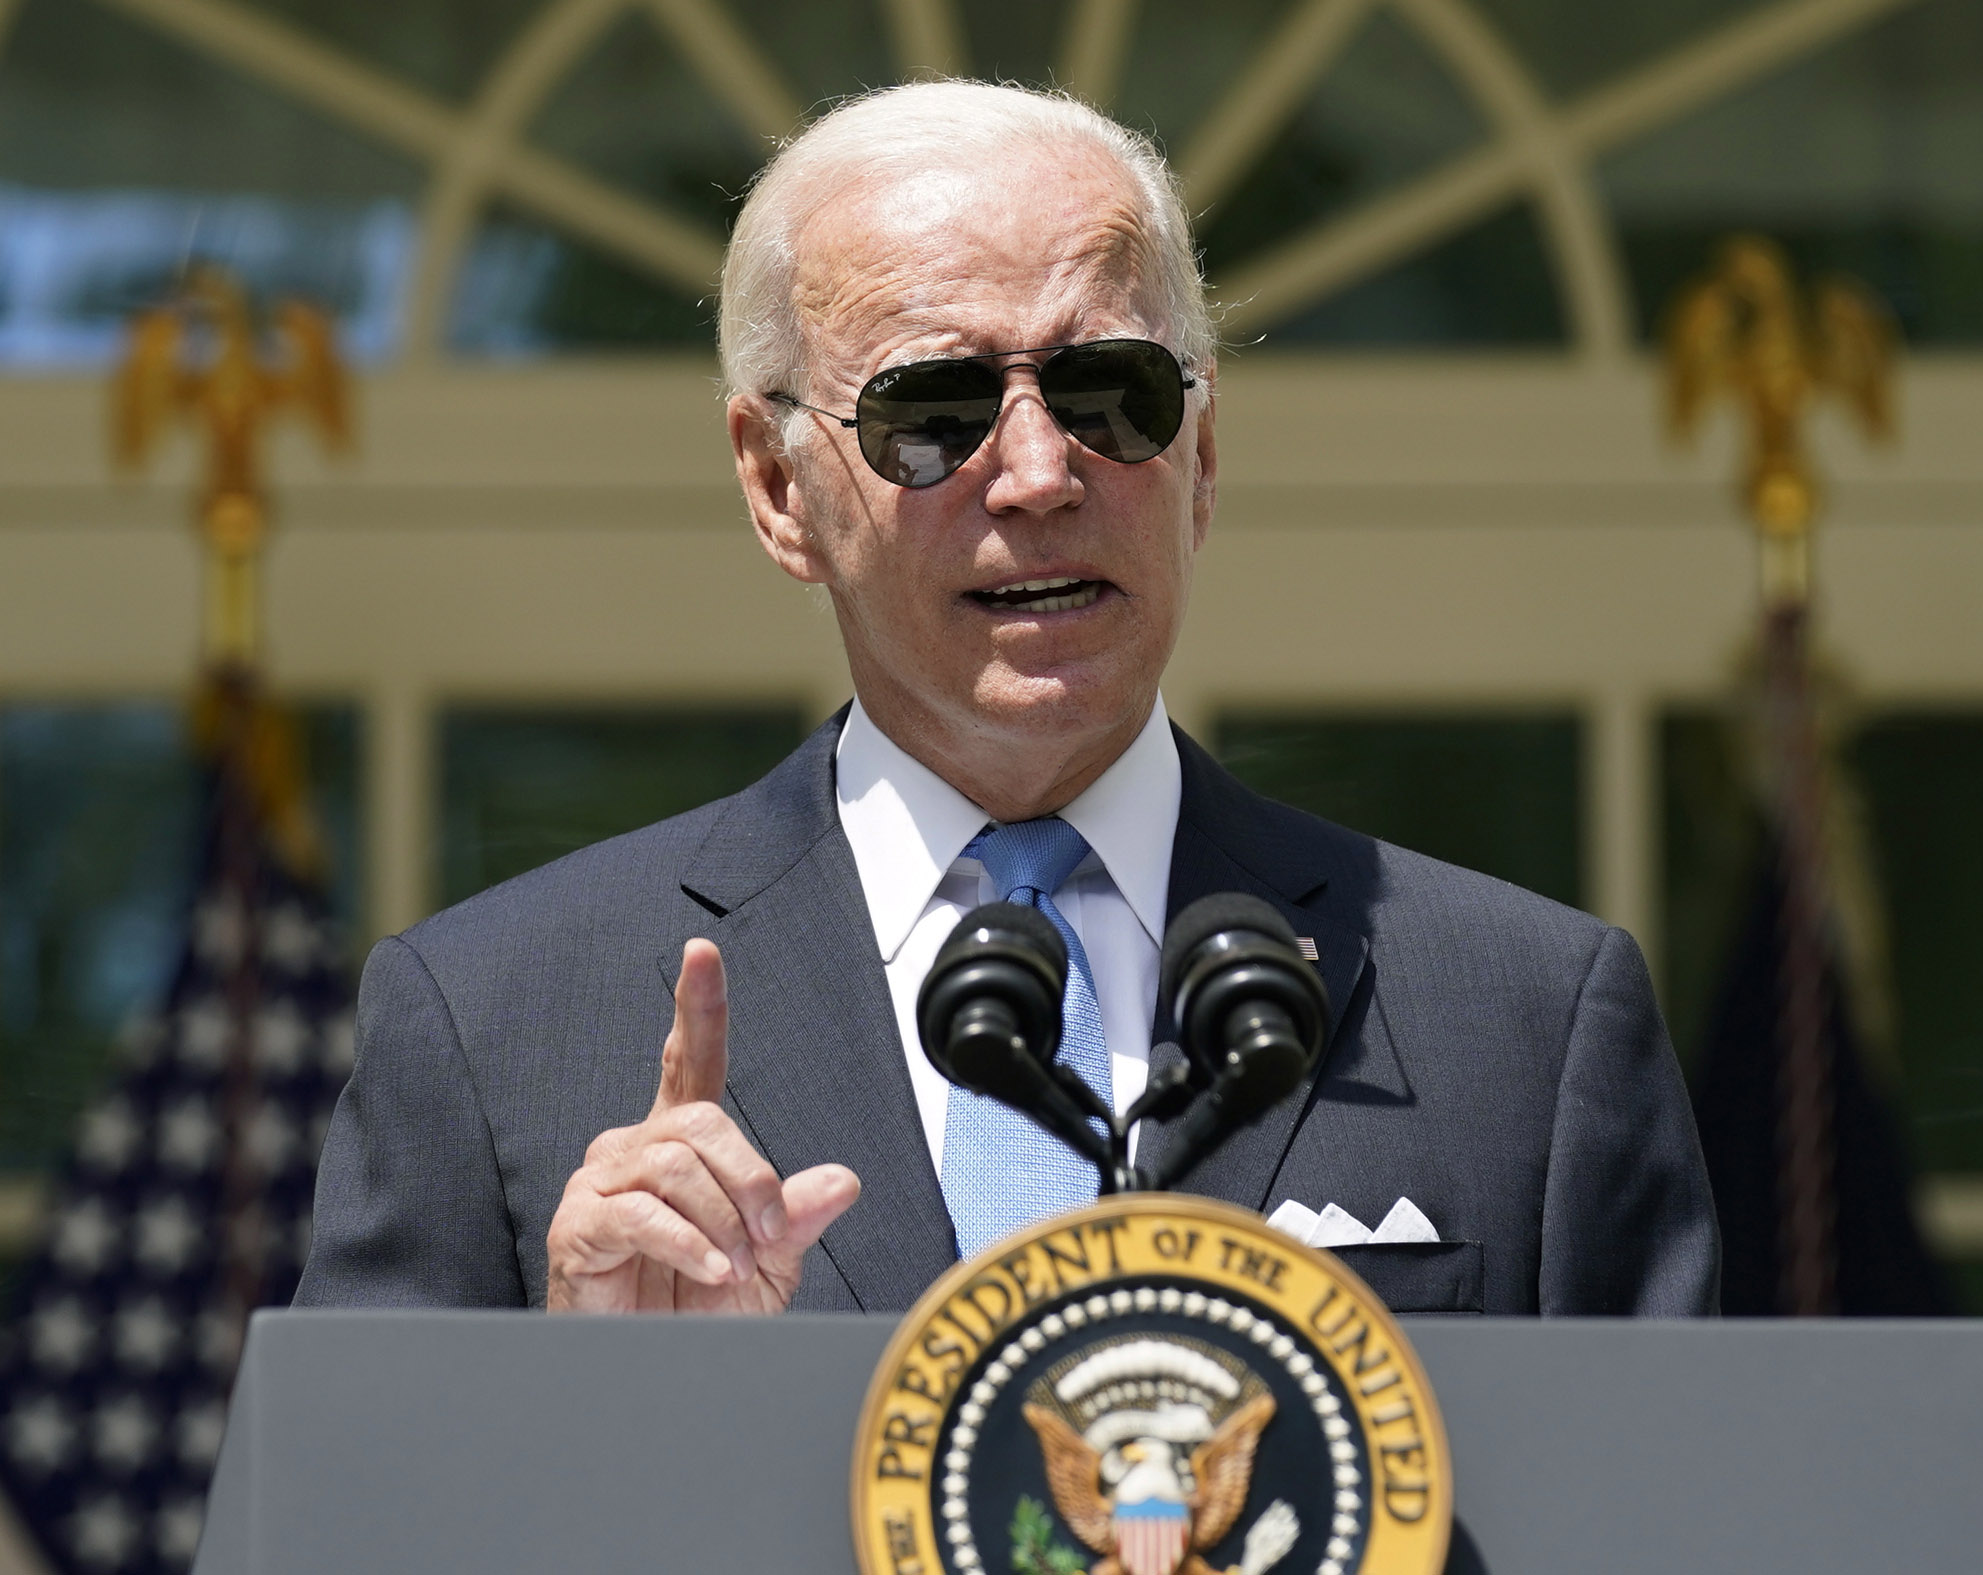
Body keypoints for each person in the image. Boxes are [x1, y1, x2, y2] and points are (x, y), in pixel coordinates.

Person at [295, 81, 1717, 1318]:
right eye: (932, 414)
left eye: (1112, 393)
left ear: (1202, 453)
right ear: (777, 486)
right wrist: (579, 1417)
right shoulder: (493, 1030)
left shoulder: (1525, 1018)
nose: (1039, 474)